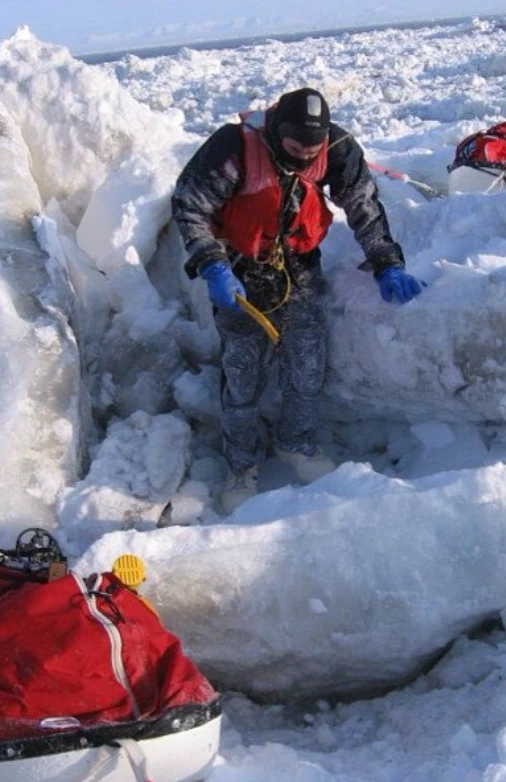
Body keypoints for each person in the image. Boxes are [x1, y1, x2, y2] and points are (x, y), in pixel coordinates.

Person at [171, 87, 424, 513]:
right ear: (275, 133)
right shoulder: (233, 148)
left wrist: (386, 261)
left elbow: (362, 205)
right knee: (242, 370)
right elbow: (190, 205)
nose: (305, 158)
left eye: (313, 149)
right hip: (238, 269)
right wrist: (213, 265)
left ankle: (298, 444)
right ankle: (241, 464)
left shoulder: (336, 148)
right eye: (294, 148)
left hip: (298, 266)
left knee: (307, 360)